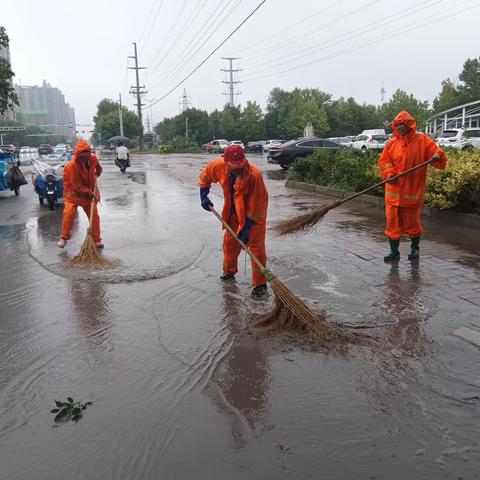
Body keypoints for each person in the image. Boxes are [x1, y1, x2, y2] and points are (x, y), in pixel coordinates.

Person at [199, 144, 269, 297]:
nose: (238, 169)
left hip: (253, 217)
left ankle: (260, 284)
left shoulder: (254, 176)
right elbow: (205, 177)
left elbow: (258, 206)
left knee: (256, 248)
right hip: (232, 214)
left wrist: (247, 228)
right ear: (226, 162)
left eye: (240, 166)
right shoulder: (218, 166)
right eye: (234, 167)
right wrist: (203, 195)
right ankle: (229, 272)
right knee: (230, 245)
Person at [378, 111, 447, 262]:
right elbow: (385, 162)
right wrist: (390, 174)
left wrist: (437, 156)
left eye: (403, 124)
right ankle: (394, 252)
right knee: (392, 223)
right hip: (393, 193)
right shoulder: (391, 144)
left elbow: (437, 153)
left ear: (410, 125)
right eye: (397, 125)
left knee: (412, 223)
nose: (400, 127)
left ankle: (415, 248)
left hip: (412, 192)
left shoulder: (422, 140)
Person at [57, 139, 103, 249]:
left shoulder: (92, 158)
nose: (84, 157)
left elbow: (98, 167)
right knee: (69, 213)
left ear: (88, 153)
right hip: (73, 193)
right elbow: (75, 185)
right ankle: (63, 238)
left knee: (94, 216)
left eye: (85, 154)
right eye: (81, 155)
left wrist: (98, 171)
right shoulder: (71, 166)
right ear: (77, 155)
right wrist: (88, 192)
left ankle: (97, 240)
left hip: (89, 191)